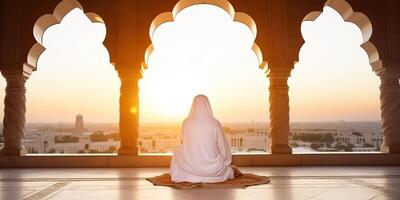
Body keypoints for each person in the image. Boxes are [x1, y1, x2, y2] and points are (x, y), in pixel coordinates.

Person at [170, 94, 242, 183]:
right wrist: (226, 161)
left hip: (191, 168)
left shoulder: (186, 122)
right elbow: (224, 147)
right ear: (208, 105)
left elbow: (187, 144)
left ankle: (187, 175)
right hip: (213, 170)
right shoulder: (215, 123)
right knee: (229, 169)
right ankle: (229, 171)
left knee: (178, 149)